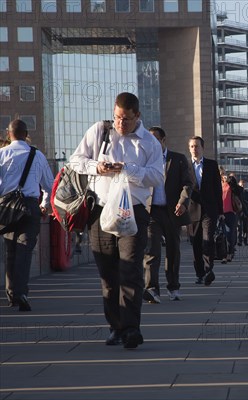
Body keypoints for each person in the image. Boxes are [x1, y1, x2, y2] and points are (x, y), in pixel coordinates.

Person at [70, 92, 164, 348]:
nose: (121, 124)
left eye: (127, 119)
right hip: (100, 211)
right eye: (118, 117)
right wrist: (97, 168)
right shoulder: (100, 131)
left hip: (133, 212)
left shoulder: (149, 143)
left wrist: (127, 170)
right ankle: (115, 326)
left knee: (130, 270)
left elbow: (157, 176)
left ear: (138, 116)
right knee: (108, 275)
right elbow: (76, 160)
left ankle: (132, 329)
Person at [1, 119, 54, 311]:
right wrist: (45, 204)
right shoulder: (37, 155)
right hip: (30, 206)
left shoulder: (2, 154)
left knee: (10, 250)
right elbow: (50, 185)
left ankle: (11, 294)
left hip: (8, 207)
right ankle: (21, 292)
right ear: (26, 134)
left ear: (9, 134)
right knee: (24, 249)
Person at [142, 127, 193, 303]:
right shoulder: (144, 160)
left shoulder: (177, 159)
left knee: (173, 251)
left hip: (173, 211)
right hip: (152, 212)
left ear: (164, 141)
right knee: (151, 251)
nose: (151, 143)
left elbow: (187, 184)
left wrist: (183, 202)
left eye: (155, 139)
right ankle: (151, 289)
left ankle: (173, 287)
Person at [187, 136, 222, 286]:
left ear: (203, 148)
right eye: (192, 146)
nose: (194, 149)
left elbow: (217, 188)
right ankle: (199, 273)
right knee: (196, 244)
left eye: (197, 146)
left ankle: (209, 270)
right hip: (192, 210)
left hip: (209, 210)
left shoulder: (212, 165)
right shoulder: (186, 166)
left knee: (207, 240)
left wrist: (220, 211)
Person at [220, 168, 240, 263]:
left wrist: (230, 180)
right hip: (220, 213)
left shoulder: (230, 185)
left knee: (229, 234)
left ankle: (229, 253)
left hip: (231, 212)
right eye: (221, 174)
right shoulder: (218, 185)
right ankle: (224, 255)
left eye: (223, 174)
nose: (223, 176)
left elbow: (238, 190)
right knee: (222, 235)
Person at [237, 179, 248, 246]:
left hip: (245, 212)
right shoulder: (237, 194)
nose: (242, 186)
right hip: (239, 212)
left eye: (243, 184)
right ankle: (240, 240)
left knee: (245, 228)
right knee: (239, 227)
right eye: (241, 184)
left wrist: (247, 212)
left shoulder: (247, 194)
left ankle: (245, 240)